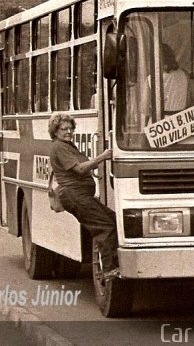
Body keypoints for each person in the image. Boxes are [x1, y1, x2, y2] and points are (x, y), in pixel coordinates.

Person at [47, 113, 118, 278]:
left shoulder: (67, 145)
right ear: (55, 131)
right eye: (64, 129)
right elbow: (78, 169)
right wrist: (103, 157)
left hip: (80, 194)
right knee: (105, 226)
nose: (69, 131)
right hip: (75, 195)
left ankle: (112, 263)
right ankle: (109, 269)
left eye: (71, 128)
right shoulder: (59, 147)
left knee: (113, 220)